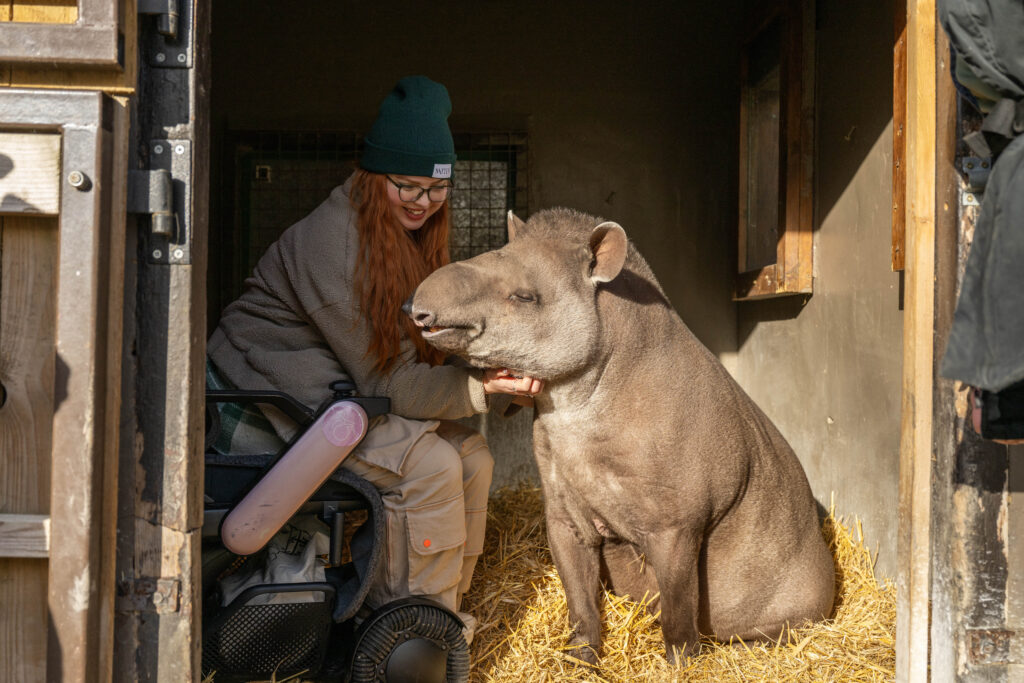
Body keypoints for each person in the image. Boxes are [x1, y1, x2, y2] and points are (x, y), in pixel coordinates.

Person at [206, 75, 543, 635]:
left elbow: (410, 361)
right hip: (265, 402)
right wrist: (482, 387)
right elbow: (394, 384)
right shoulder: (335, 245)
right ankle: (400, 634)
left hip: (343, 393)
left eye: (436, 189)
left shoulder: (404, 237)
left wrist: (495, 376)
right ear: (372, 175)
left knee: (472, 457)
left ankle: (439, 618)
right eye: (406, 185)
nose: (422, 202)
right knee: (430, 467)